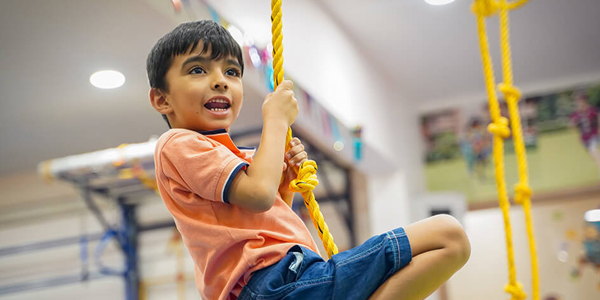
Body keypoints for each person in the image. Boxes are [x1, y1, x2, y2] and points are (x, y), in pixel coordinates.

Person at [147, 20, 471, 300]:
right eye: (198, 70)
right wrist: (275, 121)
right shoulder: (178, 143)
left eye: (232, 71)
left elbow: (262, 221)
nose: (220, 80)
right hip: (275, 283)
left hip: (279, 283)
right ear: (162, 99)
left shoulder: (236, 159)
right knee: (447, 235)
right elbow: (259, 197)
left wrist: (284, 186)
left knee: (449, 241)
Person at [569, 92, 600, 170]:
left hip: (594, 135)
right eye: (578, 101)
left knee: (594, 150)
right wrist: (574, 123)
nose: (580, 103)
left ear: (585, 101)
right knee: (594, 155)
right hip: (585, 139)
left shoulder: (592, 110)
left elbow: (598, 118)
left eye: (581, 101)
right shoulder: (575, 114)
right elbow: (572, 126)